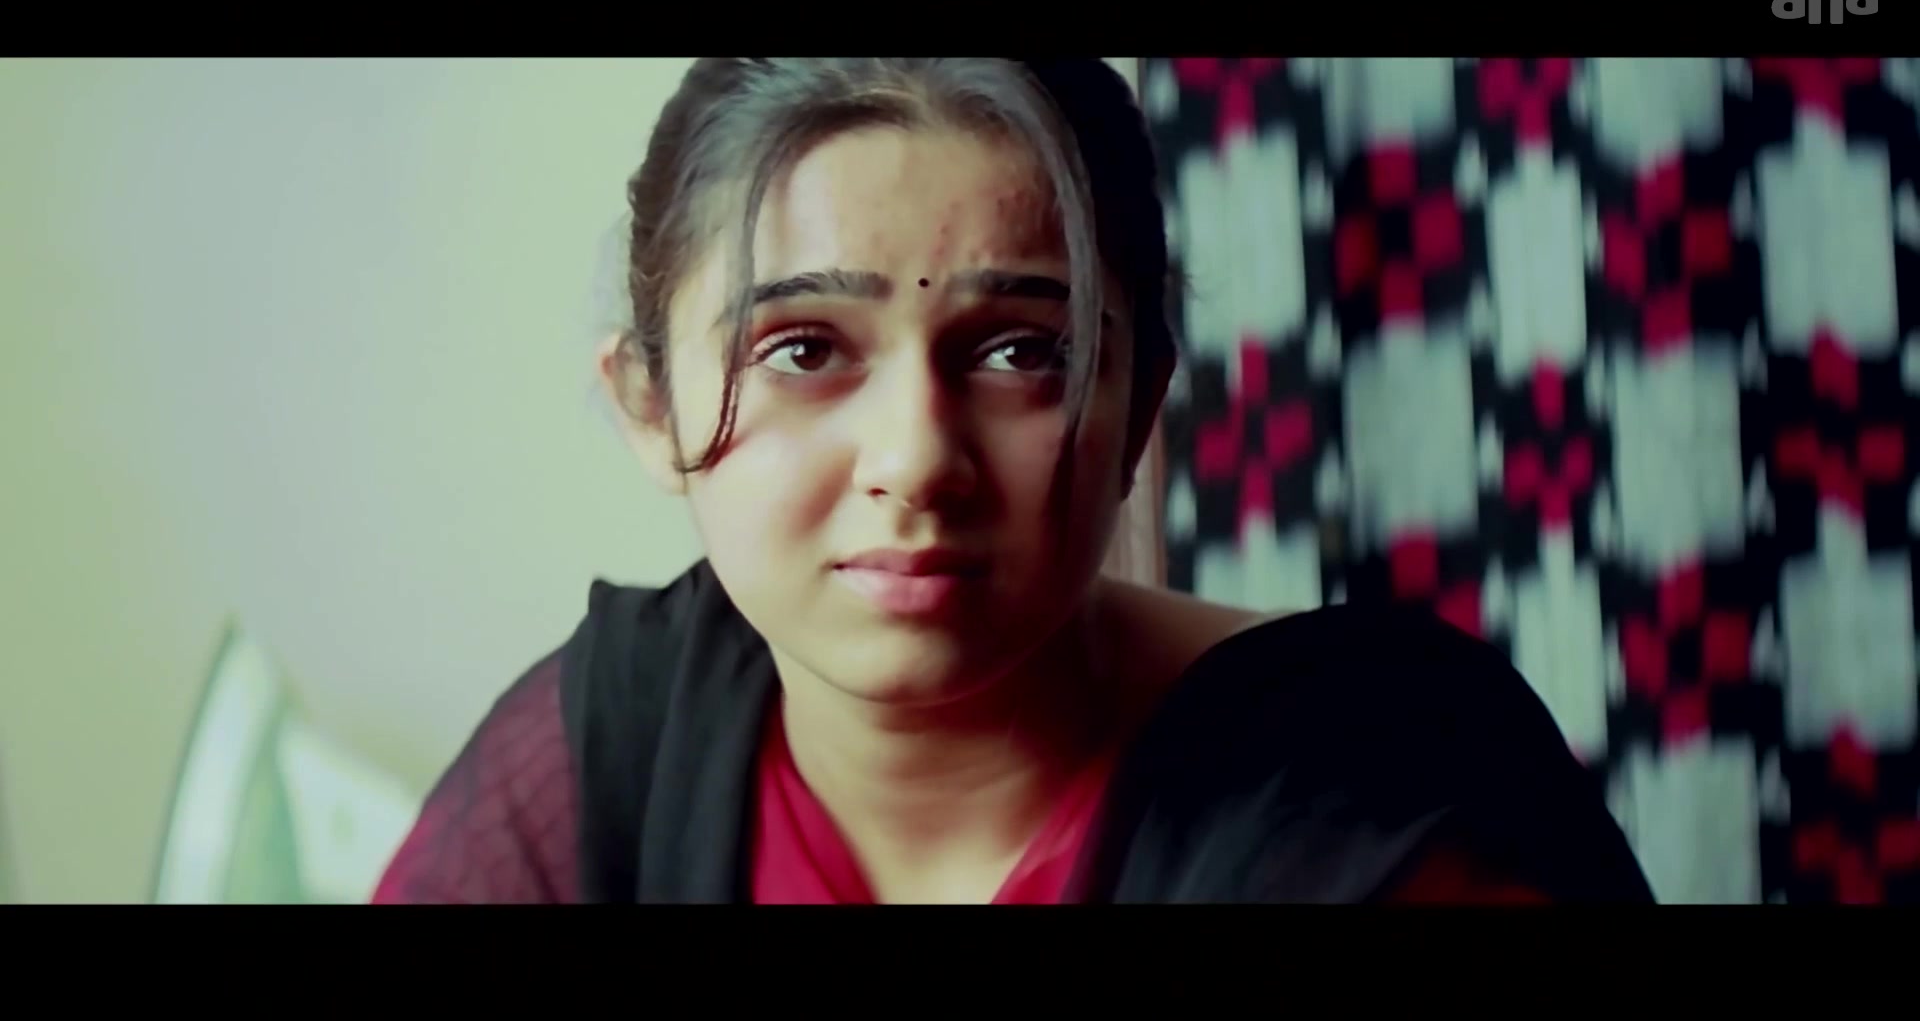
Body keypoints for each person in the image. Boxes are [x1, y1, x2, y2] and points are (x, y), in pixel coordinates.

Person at [371, 58, 1654, 905]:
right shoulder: (620, 749)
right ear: (647, 405)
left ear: (1139, 402)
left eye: (1021, 353)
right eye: (804, 350)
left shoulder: (1372, 807)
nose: (918, 460)